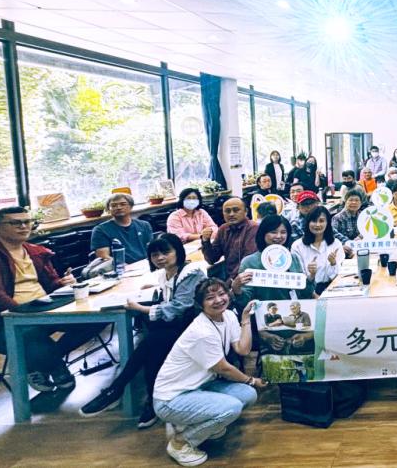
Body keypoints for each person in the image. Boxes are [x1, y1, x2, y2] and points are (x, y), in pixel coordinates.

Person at [79, 234, 207, 428]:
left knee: (151, 342)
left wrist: (141, 308)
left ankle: (118, 390)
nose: (160, 258)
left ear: (178, 252)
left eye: (166, 252)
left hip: (196, 326)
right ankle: (149, 400)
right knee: (152, 347)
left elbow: (179, 306)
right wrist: (154, 289)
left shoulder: (192, 272)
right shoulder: (165, 274)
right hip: (175, 327)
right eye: (155, 255)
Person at [0, 207, 100, 393]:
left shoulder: (35, 251)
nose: (23, 226)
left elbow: (51, 285)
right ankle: (55, 366)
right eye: (15, 223)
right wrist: (29, 315)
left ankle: (42, 363)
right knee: (31, 333)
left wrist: (63, 283)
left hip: (43, 308)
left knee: (96, 317)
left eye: (27, 221)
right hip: (0, 321)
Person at [152, 278, 265, 467]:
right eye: (210, 298)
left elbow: (243, 349)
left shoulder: (228, 316)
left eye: (221, 294)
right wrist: (251, 379)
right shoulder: (202, 331)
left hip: (199, 387)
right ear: (201, 304)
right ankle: (181, 442)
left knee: (247, 395)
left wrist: (245, 318)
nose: (218, 300)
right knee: (231, 408)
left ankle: (201, 422)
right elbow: (224, 368)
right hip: (170, 399)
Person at [231, 214, 310, 312]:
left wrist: (310, 278)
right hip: (264, 316)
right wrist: (236, 288)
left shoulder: (293, 258)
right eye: (273, 232)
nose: (278, 236)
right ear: (263, 233)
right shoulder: (250, 262)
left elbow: (304, 293)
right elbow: (245, 300)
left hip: (292, 312)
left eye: (283, 232)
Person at [200, 198, 259, 287]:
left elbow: (246, 263)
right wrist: (205, 241)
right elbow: (211, 259)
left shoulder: (253, 228)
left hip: (247, 279)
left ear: (246, 211)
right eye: (227, 211)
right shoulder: (223, 229)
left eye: (236, 210)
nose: (231, 214)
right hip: (230, 279)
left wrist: (227, 285)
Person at [292, 206, 345, 297]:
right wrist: (311, 275)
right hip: (308, 292)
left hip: (333, 288)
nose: (317, 225)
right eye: (313, 221)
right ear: (308, 223)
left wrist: (333, 263)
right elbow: (299, 280)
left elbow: (339, 277)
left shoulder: (336, 244)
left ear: (327, 223)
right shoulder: (297, 246)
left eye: (321, 221)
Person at [91, 193, 154, 264]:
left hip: (146, 264)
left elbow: (152, 249)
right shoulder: (100, 230)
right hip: (120, 267)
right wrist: (124, 266)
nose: (118, 207)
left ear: (131, 206)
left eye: (123, 204)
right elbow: (104, 257)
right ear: (108, 209)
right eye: (113, 205)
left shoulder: (144, 225)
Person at [332, 188, 366, 257]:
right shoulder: (337, 218)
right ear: (345, 201)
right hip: (344, 251)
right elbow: (333, 234)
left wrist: (360, 237)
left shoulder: (364, 216)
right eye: (351, 200)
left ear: (361, 203)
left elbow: (368, 231)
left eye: (357, 200)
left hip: (361, 249)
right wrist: (349, 243)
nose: (354, 202)